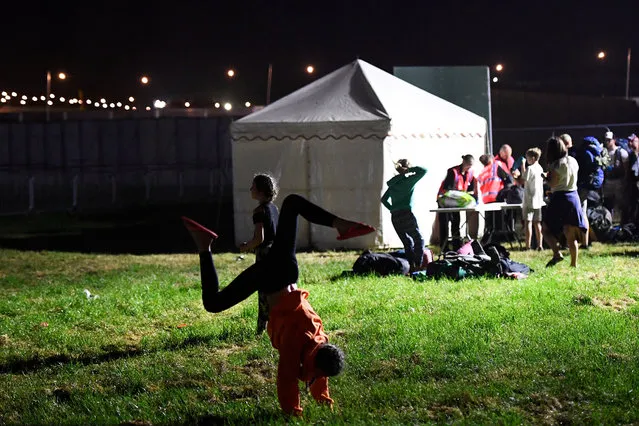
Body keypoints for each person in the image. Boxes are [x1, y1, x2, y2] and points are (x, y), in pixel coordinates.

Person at [181, 194, 375, 416]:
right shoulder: (298, 341)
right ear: (315, 363)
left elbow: (319, 373)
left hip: (285, 272)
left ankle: (341, 224)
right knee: (213, 303)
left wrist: (322, 397)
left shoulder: (320, 342)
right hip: (274, 277)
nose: (317, 376)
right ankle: (204, 246)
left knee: (292, 204)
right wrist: (293, 410)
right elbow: (286, 378)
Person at [239, 173, 279, 335]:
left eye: (253, 186)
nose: (250, 189)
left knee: (263, 292)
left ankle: (261, 329)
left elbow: (259, 238)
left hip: (264, 255)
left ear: (260, 191)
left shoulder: (259, 211)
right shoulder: (274, 209)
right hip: (277, 252)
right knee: (276, 290)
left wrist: (246, 246)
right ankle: (279, 323)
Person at [542, 137, 587, 268]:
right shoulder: (573, 161)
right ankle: (574, 264)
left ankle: (557, 253)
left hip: (560, 198)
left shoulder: (557, 165)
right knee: (570, 233)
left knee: (546, 228)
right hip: (573, 196)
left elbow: (553, 183)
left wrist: (546, 178)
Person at [381, 159, 427, 271]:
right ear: (407, 167)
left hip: (395, 216)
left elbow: (383, 199)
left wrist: (392, 209)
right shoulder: (409, 180)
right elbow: (423, 170)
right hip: (406, 213)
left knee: (407, 243)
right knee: (419, 240)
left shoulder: (393, 183)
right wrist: (409, 171)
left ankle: (411, 267)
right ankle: (418, 265)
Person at [437, 154, 479, 250]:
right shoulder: (453, 172)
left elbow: (470, 189)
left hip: (457, 203)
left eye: (471, 166)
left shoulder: (470, 174)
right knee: (444, 224)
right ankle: (444, 247)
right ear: (464, 162)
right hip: (445, 201)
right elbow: (448, 189)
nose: (469, 167)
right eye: (469, 165)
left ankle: (457, 246)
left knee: (456, 223)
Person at [575, 136, 606, 247]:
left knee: (579, 213)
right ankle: (585, 242)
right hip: (591, 184)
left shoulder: (581, 153)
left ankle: (578, 241)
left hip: (583, 185)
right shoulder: (595, 151)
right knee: (583, 213)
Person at [517, 148, 544, 250]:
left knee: (528, 222)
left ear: (532, 158)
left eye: (527, 158)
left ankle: (527, 245)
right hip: (538, 199)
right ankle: (539, 245)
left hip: (529, 199)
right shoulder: (540, 168)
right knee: (537, 223)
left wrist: (522, 166)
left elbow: (523, 180)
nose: (527, 160)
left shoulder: (530, 168)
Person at [602, 131, 629, 222]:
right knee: (607, 202)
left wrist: (625, 181)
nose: (607, 142)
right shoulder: (604, 152)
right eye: (606, 140)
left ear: (614, 140)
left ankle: (621, 222)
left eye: (609, 140)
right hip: (608, 181)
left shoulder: (621, 152)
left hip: (618, 181)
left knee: (620, 203)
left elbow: (626, 169)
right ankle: (608, 222)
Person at [623, 133, 639, 225]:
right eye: (629, 141)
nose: (630, 143)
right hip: (632, 182)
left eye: (632, 141)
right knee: (632, 202)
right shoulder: (631, 154)